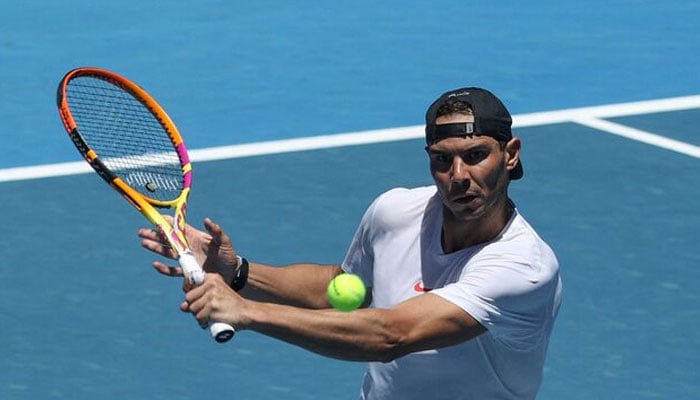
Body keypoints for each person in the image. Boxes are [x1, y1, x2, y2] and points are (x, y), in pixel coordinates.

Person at [138, 87, 563, 400]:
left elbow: (391, 334)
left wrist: (247, 311)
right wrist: (237, 272)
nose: (457, 175)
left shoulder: (524, 268)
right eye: (441, 159)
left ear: (510, 154)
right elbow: (341, 289)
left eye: (475, 155)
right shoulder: (395, 212)